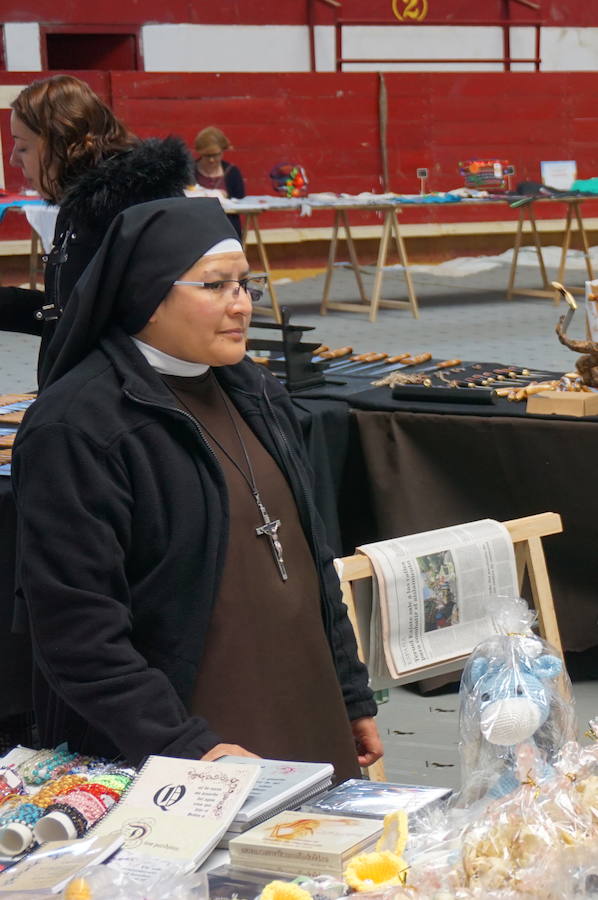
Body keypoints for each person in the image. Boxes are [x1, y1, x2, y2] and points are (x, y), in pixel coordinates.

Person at [12, 197, 383, 780]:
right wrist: (184, 745)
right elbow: (76, 632)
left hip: (307, 713)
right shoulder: (79, 427)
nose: (242, 305)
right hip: (186, 748)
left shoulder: (256, 390)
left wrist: (350, 693)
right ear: (146, 294)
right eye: (215, 287)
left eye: (246, 284)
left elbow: (314, 560)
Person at [1, 74, 193, 383]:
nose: (12, 160)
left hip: (121, 408)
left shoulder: (135, 210)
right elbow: (72, 315)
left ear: (61, 143)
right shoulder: (83, 206)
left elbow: (138, 331)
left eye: (22, 148)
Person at [194, 126, 245, 239]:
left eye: (215, 155)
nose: (212, 160)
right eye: (207, 156)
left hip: (227, 229)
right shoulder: (190, 171)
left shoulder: (232, 172)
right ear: (199, 152)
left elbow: (240, 200)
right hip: (198, 230)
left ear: (223, 151)